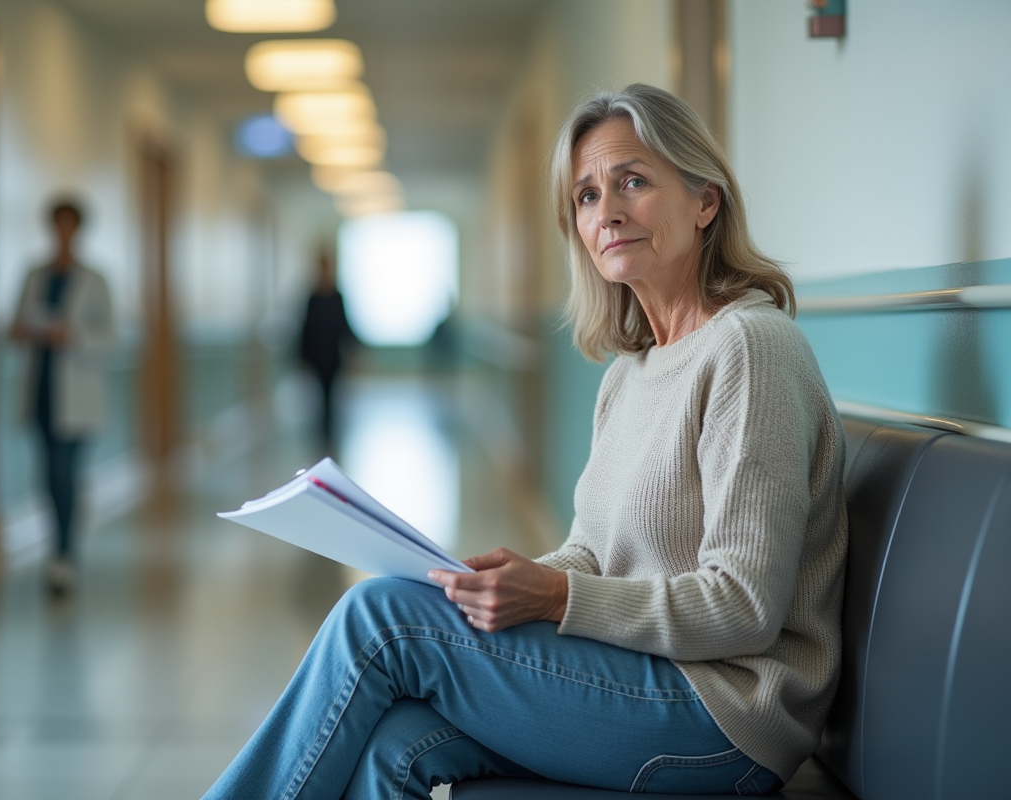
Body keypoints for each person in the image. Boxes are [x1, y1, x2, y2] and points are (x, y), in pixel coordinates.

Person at [203, 84, 847, 798]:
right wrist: (508, 584)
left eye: (633, 180)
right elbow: (596, 552)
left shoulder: (751, 349)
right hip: (643, 676)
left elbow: (744, 607)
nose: (608, 212)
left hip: (725, 718)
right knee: (395, 744)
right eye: (586, 196)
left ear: (705, 202)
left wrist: (556, 596)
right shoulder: (630, 372)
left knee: (377, 614)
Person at [10, 197, 114, 596]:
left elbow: (110, 337)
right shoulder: (34, 275)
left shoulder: (95, 279)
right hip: (41, 391)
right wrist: (25, 330)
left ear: (79, 230)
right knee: (46, 477)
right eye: (58, 225)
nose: (63, 233)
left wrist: (72, 335)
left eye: (70, 225)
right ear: (51, 228)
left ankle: (64, 555)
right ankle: (59, 550)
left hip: (79, 393)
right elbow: (14, 324)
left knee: (65, 475)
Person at [298, 248, 356, 449]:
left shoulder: (337, 297)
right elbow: (305, 328)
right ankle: (321, 431)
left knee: (332, 394)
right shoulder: (312, 297)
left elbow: (344, 324)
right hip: (316, 355)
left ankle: (330, 431)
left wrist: (355, 347)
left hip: (333, 356)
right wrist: (302, 357)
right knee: (319, 394)